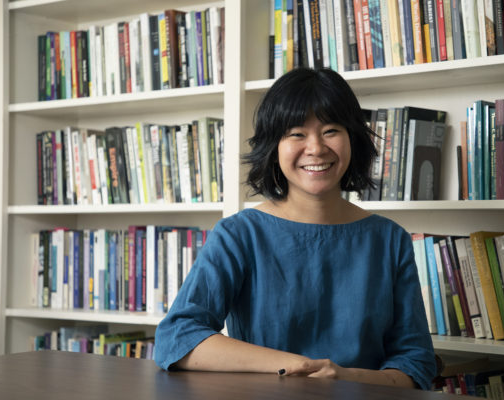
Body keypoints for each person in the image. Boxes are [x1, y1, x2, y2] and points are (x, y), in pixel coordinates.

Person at [154, 67, 437, 390]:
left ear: (352, 139)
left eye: (331, 130)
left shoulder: (390, 239)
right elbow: (176, 339)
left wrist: (343, 375)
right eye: (296, 133)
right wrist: (297, 366)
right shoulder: (239, 235)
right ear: (273, 146)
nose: (315, 148)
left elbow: (415, 363)